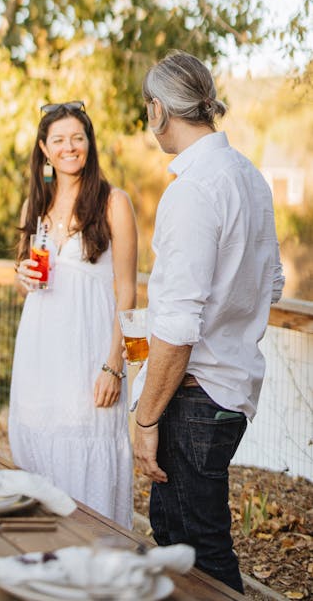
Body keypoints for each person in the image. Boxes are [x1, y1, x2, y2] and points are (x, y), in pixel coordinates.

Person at [133, 52, 285, 593]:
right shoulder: (250, 177)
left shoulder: (192, 191)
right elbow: (273, 284)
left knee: (201, 554)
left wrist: (146, 418)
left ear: (158, 111)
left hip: (195, 395)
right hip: (231, 388)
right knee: (177, 540)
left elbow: (175, 328)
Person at [8, 100, 138, 527]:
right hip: (40, 351)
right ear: (44, 149)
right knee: (40, 450)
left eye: (77, 138)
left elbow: (126, 291)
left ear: (89, 143)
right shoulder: (35, 207)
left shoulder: (113, 203)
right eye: (59, 140)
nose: (69, 147)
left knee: (88, 453)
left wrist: (113, 365)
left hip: (90, 355)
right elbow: (23, 278)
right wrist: (22, 276)